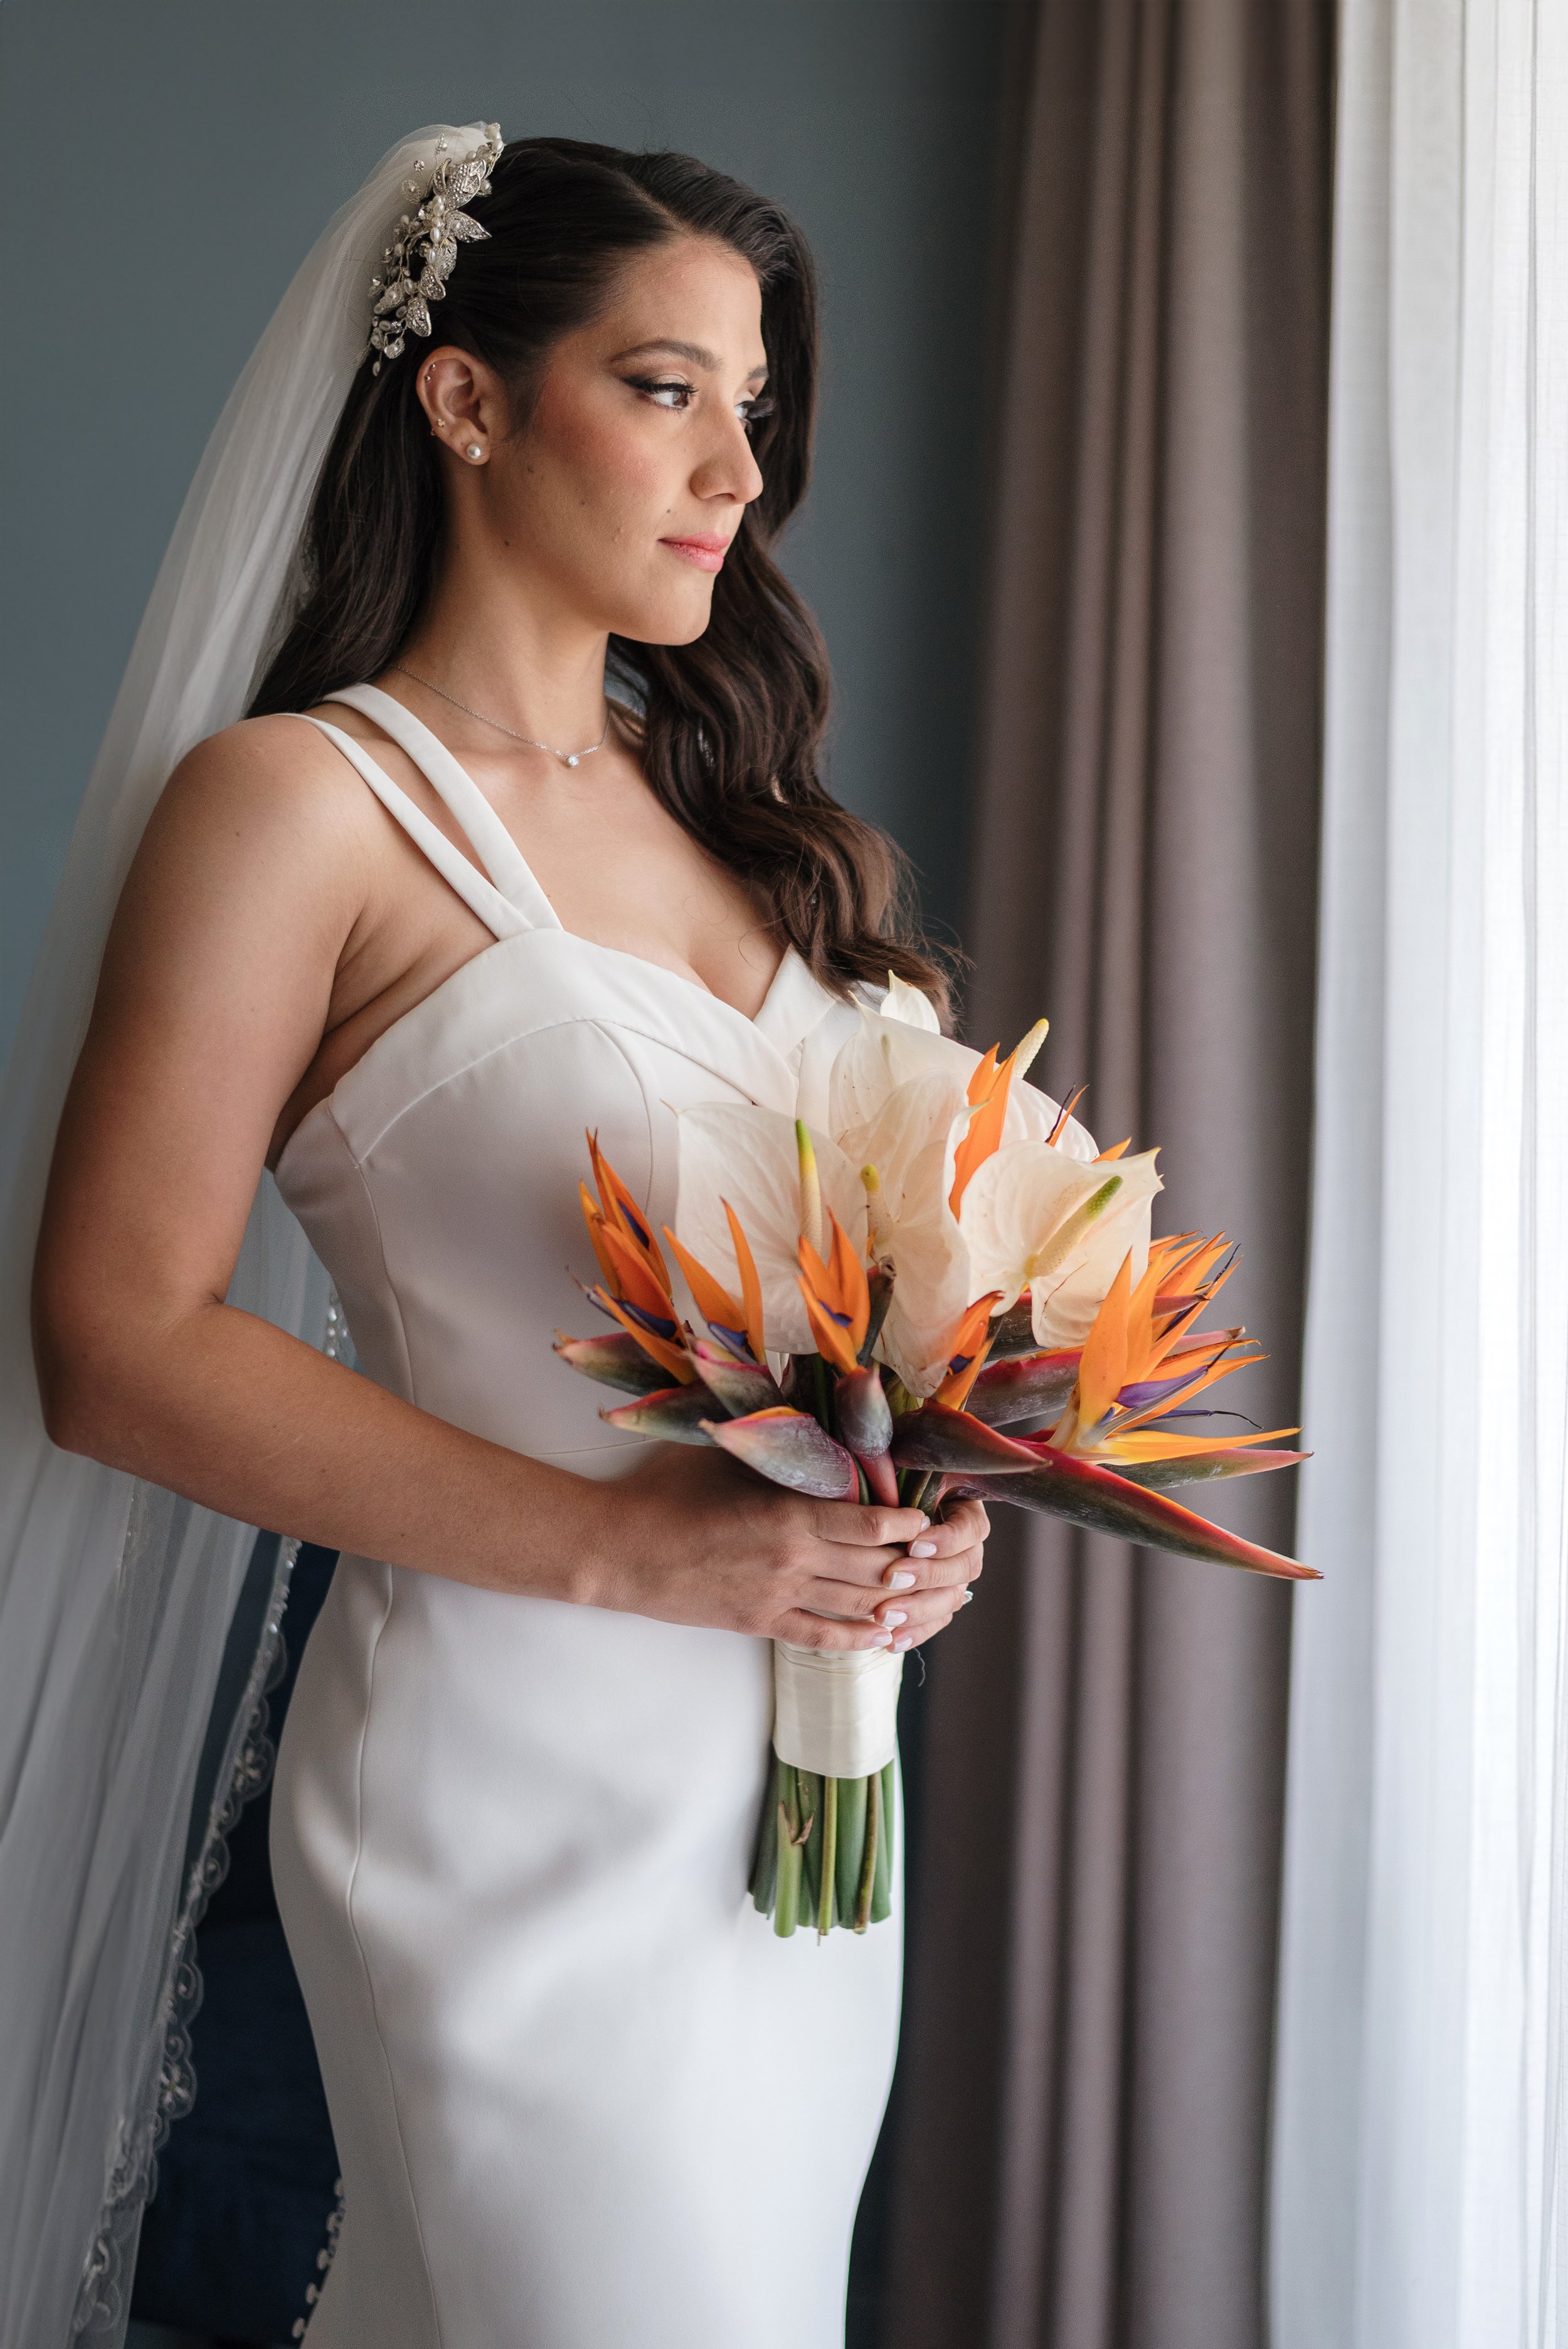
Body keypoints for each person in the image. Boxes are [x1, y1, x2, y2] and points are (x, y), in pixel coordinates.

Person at [22, 129, 988, 2346]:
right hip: (504, 1775)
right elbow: (116, 1338)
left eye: (755, 405)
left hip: (794, 1799)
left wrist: (914, 1505)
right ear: (464, 399)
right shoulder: (300, 807)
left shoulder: (749, 819)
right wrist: (648, 1554)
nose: (738, 467)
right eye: (664, 388)